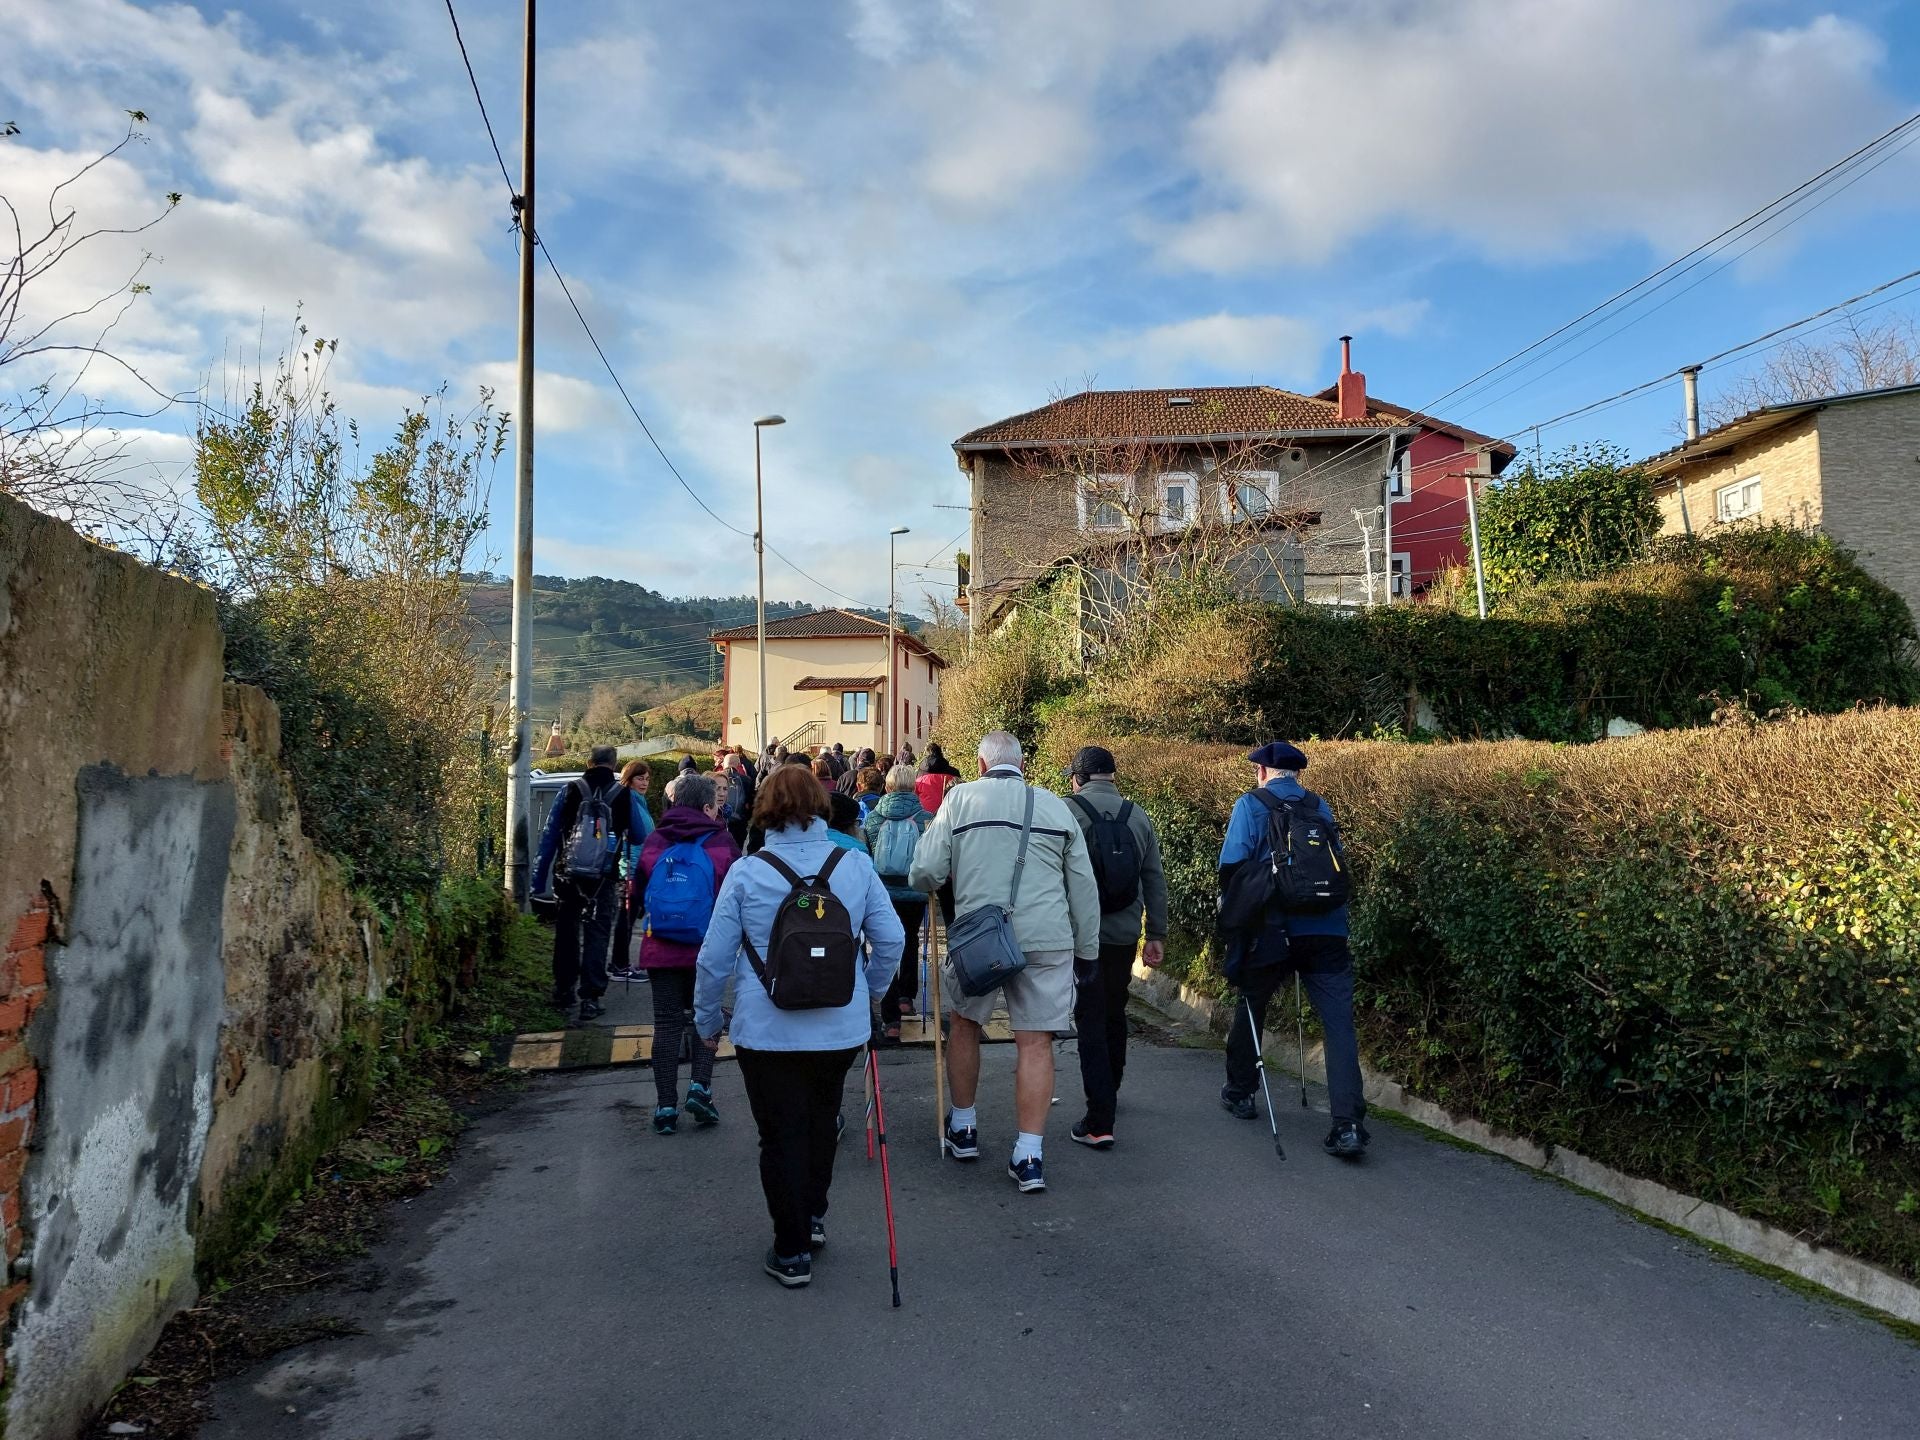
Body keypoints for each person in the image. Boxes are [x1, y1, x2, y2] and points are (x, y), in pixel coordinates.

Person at [694, 765, 904, 1287]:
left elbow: (713, 960)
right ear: (820, 805)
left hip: (766, 1029)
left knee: (779, 1134)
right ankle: (812, 1217)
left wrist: (706, 1020)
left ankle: (790, 1251)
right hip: (840, 1027)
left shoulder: (748, 872)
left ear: (765, 808)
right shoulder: (854, 865)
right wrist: (871, 993)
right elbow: (892, 939)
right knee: (821, 1121)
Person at [910, 730, 1100, 1194]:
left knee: (965, 1025)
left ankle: (964, 1128)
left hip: (980, 937)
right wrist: (1087, 950)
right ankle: (1029, 1156)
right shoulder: (1055, 806)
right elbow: (1083, 885)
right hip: (1046, 937)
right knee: (1035, 1043)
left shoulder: (959, 800)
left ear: (980, 765)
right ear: (1022, 765)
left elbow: (925, 872)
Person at [1217, 741, 1368, 1159]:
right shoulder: (1320, 807)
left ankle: (1241, 1092)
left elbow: (1231, 869)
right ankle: (1348, 1126)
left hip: (1273, 930)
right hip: (1327, 930)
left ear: (1263, 772)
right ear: (1297, 774)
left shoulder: (1251, 805)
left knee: (1253, 1005)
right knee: (1339, 1026)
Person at [1062, 746, 1168, 1149]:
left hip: (1082, 935)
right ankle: (1112, 1089)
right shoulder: (1137, 815)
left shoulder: (1067, 812)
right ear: (1112, 777)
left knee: (1089, 1016)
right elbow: (1154, 879)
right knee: (1114, 1010)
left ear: (1078, 778)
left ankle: (1099, 1120)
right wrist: (1155, 933)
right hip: (1124, 933)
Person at [633, 772, 739, 1133]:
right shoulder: (721, 842)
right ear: (708, 807)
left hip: (659, 947)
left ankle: (665, 1108)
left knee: (666, 1025)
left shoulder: (656, 839)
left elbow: (639, 889)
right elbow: (735, 894)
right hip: (707, 949)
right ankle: (700, 1087)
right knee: (706, 1018)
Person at [533, 745, 643, 1023]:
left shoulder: (569, 790)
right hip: (604, 879)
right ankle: (590, 999)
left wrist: (538, 881)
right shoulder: (623, 794)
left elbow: (549, 837)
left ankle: (564, 991)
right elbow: (639, 835)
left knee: (567, 932)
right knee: (597, 933)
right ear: (614, 764)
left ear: (589, 762)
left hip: (568, 876)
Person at [863, 765, 931, 1043]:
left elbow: (867, 855)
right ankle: (907, 997)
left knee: (885, 945)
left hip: (884, 893)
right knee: (911, 940)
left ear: (887, 787)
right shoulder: (926, 818)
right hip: (914, 891)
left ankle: (891, 1019)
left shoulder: (873, 819)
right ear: (914, 787)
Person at [609, 759, 659, 981]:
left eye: (647, 779)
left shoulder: (639, 801)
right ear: (629, 779)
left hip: (639, 869)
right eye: (640, 778)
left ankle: (620, 964)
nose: (645, 783)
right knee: (625, 919)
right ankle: (619, 966)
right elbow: (633, 840)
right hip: (630, 870)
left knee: (628, 919)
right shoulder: (628, 801)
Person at [915, 745, 960, 815]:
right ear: (941, 753)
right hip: (948, 813)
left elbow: (914, 795)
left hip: (924, 814)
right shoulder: (954, 773)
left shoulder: (919, 774)